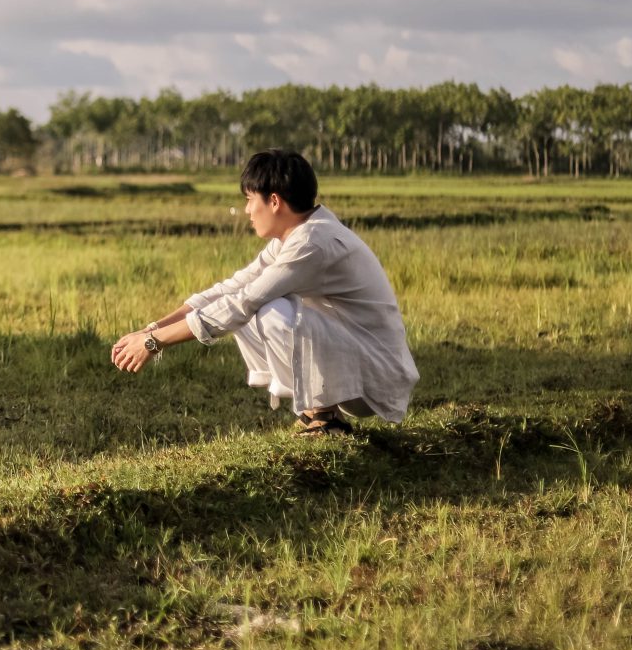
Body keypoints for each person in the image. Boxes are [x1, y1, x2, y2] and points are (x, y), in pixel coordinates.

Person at [109, 149, 418, 436]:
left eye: (249, 199)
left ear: (274, 201)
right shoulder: (293, 237)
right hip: (356, 367)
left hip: (374, 380)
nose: (246, 210)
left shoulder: (312, 243)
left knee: (267, 310)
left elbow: (243, 302)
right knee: (252, 304)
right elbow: (230, 289)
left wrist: (153, 342)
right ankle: (319, 411)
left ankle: (324, 414)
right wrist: (152, 329)